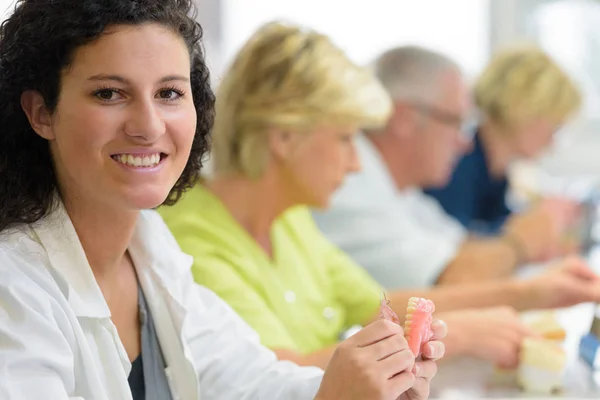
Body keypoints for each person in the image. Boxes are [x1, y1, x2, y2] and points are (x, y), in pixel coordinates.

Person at [0, 1, 447, 399]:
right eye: (109, 93)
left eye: (169, 93)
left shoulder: (152, 249)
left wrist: (364, 388)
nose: (149, 126)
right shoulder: (13, 287)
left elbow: (248, 380)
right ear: (42, 112)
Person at [159, 24, 600, 371]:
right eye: (347, 139)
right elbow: (271, 375)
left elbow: (383, 307)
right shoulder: (192, 239)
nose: (356, 165)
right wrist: (455, 335)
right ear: (284, 136)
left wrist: (537, 292)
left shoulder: (288, 220)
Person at [313, 45, 582, 288]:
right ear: (404, 118)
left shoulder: (402, 191)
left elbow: (458, 246)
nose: (465, 142)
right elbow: (450, 278)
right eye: (455, 122)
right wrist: (522, 243)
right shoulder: (349, 184)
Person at [424, 44, 582, 236]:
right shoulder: (456, 165)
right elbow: (458, 247)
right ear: (524, 110)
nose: (552, 142)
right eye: (555, 126)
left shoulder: (496, 173)